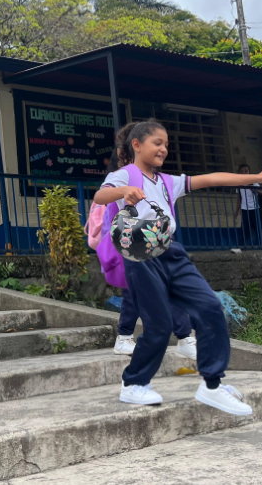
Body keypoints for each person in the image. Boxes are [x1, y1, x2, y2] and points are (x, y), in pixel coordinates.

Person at [94, 120, 262, 414]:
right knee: (159, 324)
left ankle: (212, 385)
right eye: (157, 143)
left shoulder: (168, 181)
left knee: (209, 306)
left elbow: (209, 178)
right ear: (137, 145)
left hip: (172, 251)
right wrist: (124, 191)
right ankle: (134, 384)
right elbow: (100, 196)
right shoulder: (124, 175)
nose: (164, 149)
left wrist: (254, 176)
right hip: (141, 255)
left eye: (166, 144)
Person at [107, 127, 196, 361]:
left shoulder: (154, 179)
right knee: (141, 290)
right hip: (136, 242)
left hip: (158, 239)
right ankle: (127, 336)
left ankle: (183, 337)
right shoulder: (123, 178)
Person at [234, 163, 262, 251]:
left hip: (255, 208)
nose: (244, 173)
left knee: (261, 228)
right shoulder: (238, 184)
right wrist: (236, 211)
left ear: (249, 172)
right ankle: (240, 248)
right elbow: (239, 199)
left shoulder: (253, 182)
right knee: (244, 229)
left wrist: (254, 189)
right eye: (241, 171)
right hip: (244, 209)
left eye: (246, 171)